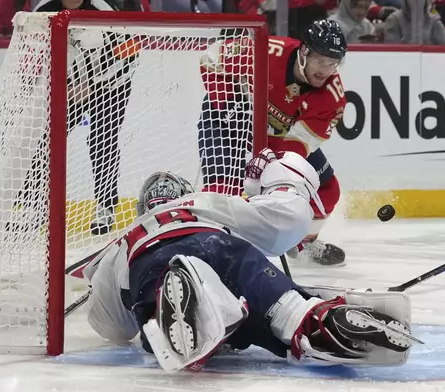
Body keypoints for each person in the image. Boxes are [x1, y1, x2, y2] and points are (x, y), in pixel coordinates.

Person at [81, 149, 413, 372]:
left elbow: (112, 326)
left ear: (143, 207)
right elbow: (286, 222)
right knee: (287, 312)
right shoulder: (205, 201)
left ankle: (190, 304)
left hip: (153, 259)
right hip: (227, 248)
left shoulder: (121, 242)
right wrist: (275, 179)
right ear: (183, 193)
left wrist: (101, 285)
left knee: (155, 306)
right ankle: (321, 319)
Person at [198, 20, 351, 267]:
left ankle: (303, 245)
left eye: (333, 62)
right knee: (223, 190)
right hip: (226, 123)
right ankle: (217, 250)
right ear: (304, 52)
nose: (326, 69)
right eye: (321, 60)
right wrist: (227, 105)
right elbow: (211, 57)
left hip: (278, 140)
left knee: (328, 189)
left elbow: (299, 146)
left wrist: (271, 161)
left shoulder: (332, 98)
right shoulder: (269, 50)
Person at [20, 0, 140, 235]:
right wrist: (63, 85)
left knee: (102, 141)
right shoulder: (44, 10)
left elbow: (130, 54)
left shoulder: (103, 8)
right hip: (66, 89)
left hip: (111, 87)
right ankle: (37, 207)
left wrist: (93, 85)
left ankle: (105, 208)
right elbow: (31, 55)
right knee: (43, 140)